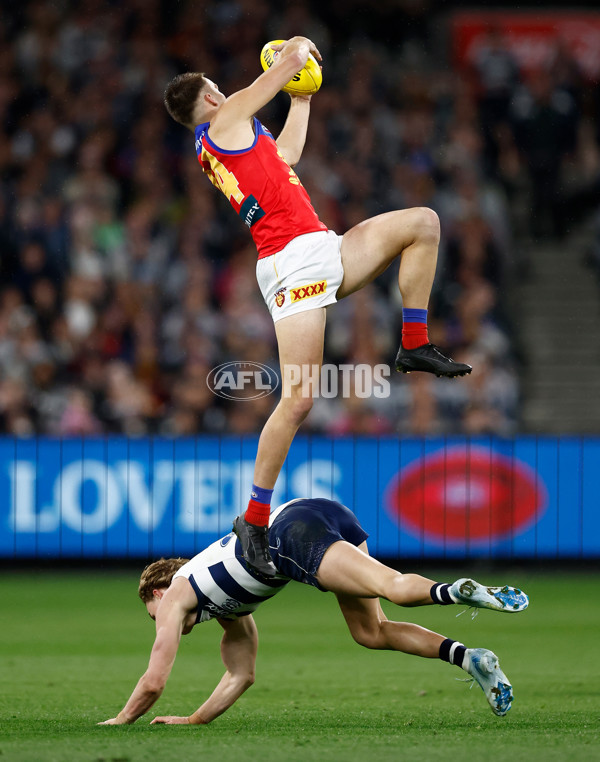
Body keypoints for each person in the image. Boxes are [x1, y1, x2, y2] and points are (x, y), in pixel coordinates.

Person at [163, 37, 472, 577]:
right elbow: (277, 69)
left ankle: (415, 344)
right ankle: (254, 520)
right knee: (301, 401)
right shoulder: (222, 120)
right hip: (292, 263)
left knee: (423, 222)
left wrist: (302, 102)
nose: (225, 92)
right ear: (211, 98)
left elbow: (286, 157)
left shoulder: (232, 136)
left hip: (321, 245)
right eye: (217, 88)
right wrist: (298, 47)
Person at [98, 498, 528, 726]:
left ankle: (455, 590)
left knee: (392, 587)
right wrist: (194, 719)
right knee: (370, 630)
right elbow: (241, 675)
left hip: (290, 532)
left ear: (155, 589)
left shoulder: (175, 592)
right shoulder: (228, 609)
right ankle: (471, 659)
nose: (167, 625)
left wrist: (120, 720)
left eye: (151, 614)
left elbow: (154, 681)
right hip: (322, 513)